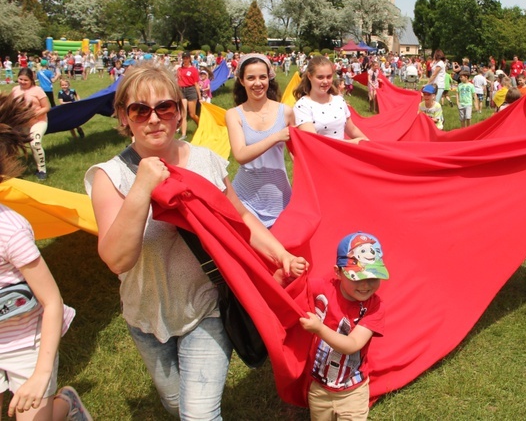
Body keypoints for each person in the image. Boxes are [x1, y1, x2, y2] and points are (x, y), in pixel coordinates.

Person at [85, 63, 307, 418]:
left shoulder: (205, 162)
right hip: (145, 315)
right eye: (140, 110)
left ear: (178, 114)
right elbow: (116, 260)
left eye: (165, 108)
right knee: (174, 403)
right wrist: (143, 187)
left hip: (206, 308)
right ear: (124, 118)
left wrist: (279, 253)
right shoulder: (109, 177)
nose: (154, 119)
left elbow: (242, 218)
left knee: (199, 415)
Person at [0, 93, 91, 421]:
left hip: (28, 344)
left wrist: (40, 374)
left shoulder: (9, 230)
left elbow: (52, 302)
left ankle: (66, 402)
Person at [299, 232, 388, 421]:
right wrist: (291, 269)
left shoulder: (375, 306)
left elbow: (353, 344)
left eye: (372, 277)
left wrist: (319, 329)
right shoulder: (323, 288)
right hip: (319, 388)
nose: (365, 285)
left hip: (353, 392)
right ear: (338, 272)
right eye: (357, 277)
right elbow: (290, 290)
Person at [226, 54, 294, 228]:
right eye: (251, 78)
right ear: (241, 81)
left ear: (269, 78)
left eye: (262, 77)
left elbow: (298, 155)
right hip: (245, 199)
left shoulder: (285, 112)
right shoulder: (234, 115)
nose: (258, 83)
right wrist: (276, 137)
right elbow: (240, 155)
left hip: (280, 198)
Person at [293, 56, 368, 143]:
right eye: (320, 77)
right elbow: (313, 142)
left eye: (329, 77)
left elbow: (352, 130)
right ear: (310, 76)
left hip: (342, 154)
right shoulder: (302, 106)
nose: (325, 81)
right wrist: (352, 143)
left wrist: (370, 144)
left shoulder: (339, 101)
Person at [11, 68, 50, 180]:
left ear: (31, 80)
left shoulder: (38, 90)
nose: (22, 82)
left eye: (25, 80)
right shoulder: (15, 90)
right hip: (21, 124)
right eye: (20, 79)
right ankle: (11, 168)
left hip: (38, 122)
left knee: (35, 143)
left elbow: (47, 107)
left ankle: (41, 170)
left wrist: (33, 114)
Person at [176, 54, 201, 139]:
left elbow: (196, 84)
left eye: (187, 58)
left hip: (191, 90)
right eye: (184, 58)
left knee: (192, 114)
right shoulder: (179, 69)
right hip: (182, 91)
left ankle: (201, 125)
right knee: (183, 114)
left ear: (189, 59)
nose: (185, 60)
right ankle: (184, 134)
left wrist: (200, 97)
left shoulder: (193, 70)